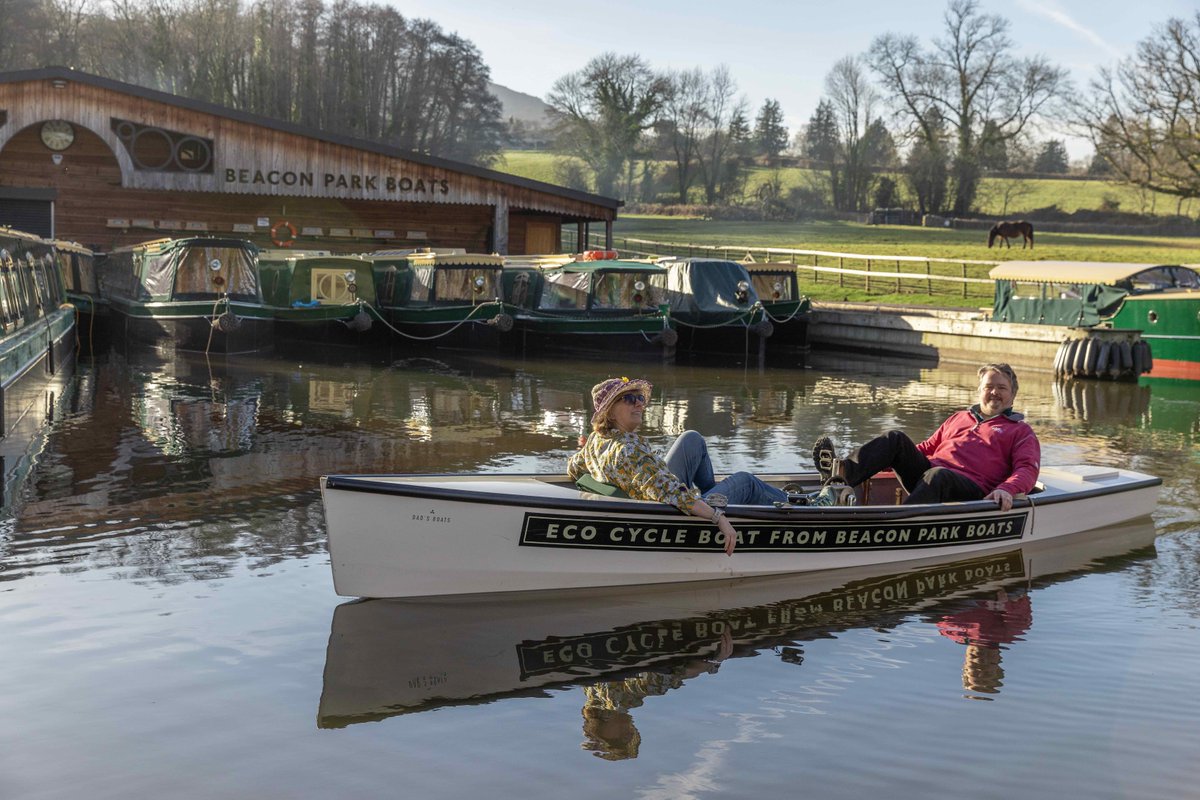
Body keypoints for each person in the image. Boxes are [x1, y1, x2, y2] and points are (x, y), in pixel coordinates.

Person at [567, 376, 794, 556]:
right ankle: (797, 504)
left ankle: (714, 494)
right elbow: (673, 493)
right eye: (628, 399)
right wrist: (718, 518)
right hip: (674, 505)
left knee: (691, 439)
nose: (639, 403)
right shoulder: (629, 452)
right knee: (746, 481)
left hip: (660, 490)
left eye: (640, 398)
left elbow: (573, 468)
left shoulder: (597, 440)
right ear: (610, 412)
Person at [812, 363, 1040, 511]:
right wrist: (881, 464)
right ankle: (837, 479)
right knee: (896, 438)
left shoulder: (1020, 431)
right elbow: (927, 448)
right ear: (979, 390)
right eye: (989, 386)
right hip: (928, 478)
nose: (994, 392)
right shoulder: (959, 417)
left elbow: (1027, 469)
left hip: (971, 489)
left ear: (1012, 395)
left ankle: (900, 521)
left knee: (938, 474)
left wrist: (1006, 489)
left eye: (1001, 388)